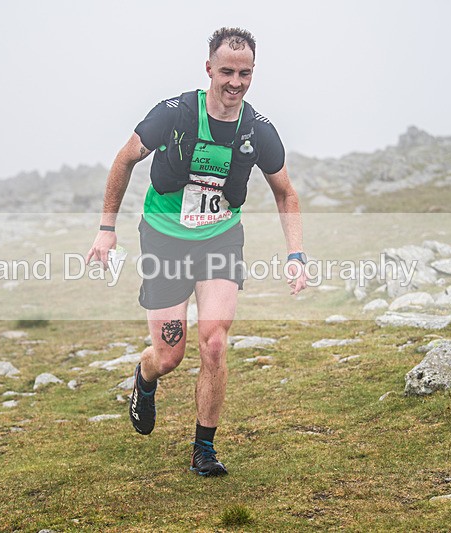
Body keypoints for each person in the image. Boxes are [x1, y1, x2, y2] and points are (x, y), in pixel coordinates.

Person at [86, 27, 307, 477]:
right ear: (209, 69)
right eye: (227, 71)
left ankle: (203, 449)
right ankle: (144, 377)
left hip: (219, 239)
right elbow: (125, 159)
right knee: (170, 355)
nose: (235, 82)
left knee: (215, 342)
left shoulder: (258, 130)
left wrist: (296, 254)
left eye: (245, 73)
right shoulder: (174, 114)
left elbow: (285, 193)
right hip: (165, 239)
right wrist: (106, 229)